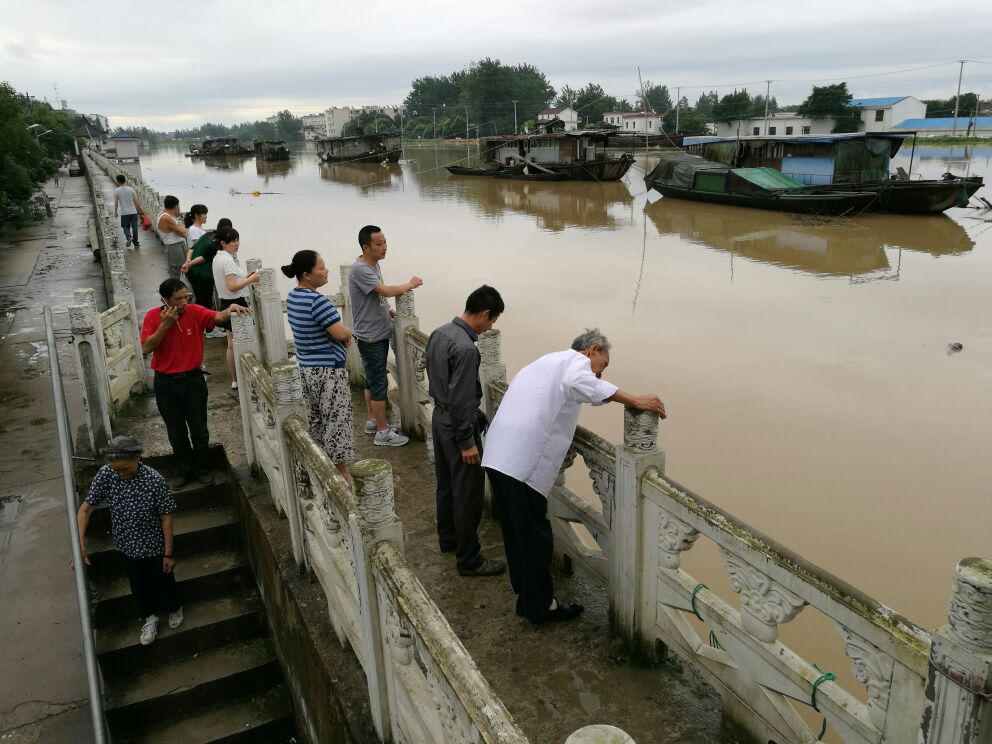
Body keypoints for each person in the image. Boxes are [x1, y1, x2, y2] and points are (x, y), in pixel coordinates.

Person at [481, 329, 667, 625]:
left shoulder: (546, 361)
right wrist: (635, 400)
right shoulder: (575, 363)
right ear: (592, 349)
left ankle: (526, 599)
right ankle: (542, 607)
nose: (598, 374)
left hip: (497, 455)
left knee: (516, 534)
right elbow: (581, 383)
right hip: (520, 462)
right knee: (535, 537)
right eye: (601, 366)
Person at [140, 277, 252, 488]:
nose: (183, 303)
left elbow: (216, 317)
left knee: (199, 428)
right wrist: (166, 325)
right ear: (164, 300)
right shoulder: (153, 317)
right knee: (175, 430)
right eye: (177, 299)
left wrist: (230, 310)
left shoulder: (194, 311)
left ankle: (202, 468)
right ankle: (183, 469)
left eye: (186, 297)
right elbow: (146, 347)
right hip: (165, 382)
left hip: (192, 379)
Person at [426, 285, 506, 577]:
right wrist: (467, 441)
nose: (489, 328)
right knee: (468, 493)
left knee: (446, 485)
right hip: (457, 426)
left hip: (440, 417)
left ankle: (448, 539)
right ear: (484, 314)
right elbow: (461, 397)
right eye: (492, 321)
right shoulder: (466, 348)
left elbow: (442, 381)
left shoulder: (439, 333)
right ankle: (469, 559)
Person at [76, 436, 181, 646]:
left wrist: (168, 553)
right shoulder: (107, 474)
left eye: (125, 469)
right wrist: (79, 543)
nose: (121, 474)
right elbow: (85, 509)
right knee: (138, 585)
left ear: (137, 457)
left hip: (154, 546)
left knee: (162, 580)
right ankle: (149, 617)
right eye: (116, 470)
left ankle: (173, 608)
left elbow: (166, 519)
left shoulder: (154, 480)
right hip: (126, 546)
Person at [282, 250, 356, 483]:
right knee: (337, 420)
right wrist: (346, 334)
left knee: (316, 419)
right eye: (321, 268)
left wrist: (338, 335)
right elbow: (340, 332)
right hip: (328, 371)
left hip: (306, 367)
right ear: (307, 274)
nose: (326, 271)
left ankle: (321, 465)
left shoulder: (294, 296)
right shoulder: (317, 300)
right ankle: (341, 473)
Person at [347, 225, 422, 447]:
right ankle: (382, 432)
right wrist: (410, 284)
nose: (384, 247)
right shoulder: (361, 269)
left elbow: (377, 294)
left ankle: (372, 421)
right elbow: (386, 290)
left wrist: (388, 310)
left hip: (373, 331)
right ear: (365, 247)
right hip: (371, 336)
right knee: (379, 383)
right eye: (379, 244)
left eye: (385, 242)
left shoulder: (373, 264)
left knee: (372, 379)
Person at [211, 226, 260, 397]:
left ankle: (236, 380)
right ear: (223, 243)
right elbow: (232, 286)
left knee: (231, 345)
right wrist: (252, 279)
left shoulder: (218, 258)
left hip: (225, 302)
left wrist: (246, 277)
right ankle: (248, 379)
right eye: (233, 241)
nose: (237, 244)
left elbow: (230, 282)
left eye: (238, 240)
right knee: (242, 343)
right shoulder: (228, 261)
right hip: (235, 303)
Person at [183, 217, 230, 339]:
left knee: (200, 302)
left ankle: (203, 327)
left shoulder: (208, 234)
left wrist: (188, 260)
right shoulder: (217, 244)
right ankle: (209, 330)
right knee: (205, 303)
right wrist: (190, 264)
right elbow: (203, 258)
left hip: (194, 274)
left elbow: (192, 248)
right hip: (202, 276)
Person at [158, 195, 188, 279]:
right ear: (176, 206)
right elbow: (183, 233)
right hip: (175, 247)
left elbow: (179, 229)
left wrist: (178, 227)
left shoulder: (163, 214)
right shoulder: (167, 218)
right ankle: (175, 291)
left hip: (174, 246)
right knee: (177, 271)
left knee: (177, 270)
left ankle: (178, 290)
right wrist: (180, 227)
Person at [113, 174, 144, 249]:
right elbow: (136, 201)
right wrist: (140, 210)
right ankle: (136, 243)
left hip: (124, 213)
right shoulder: (131, 189)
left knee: (125, 226)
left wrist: (115, 212)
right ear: (125, 180)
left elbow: (116, 203)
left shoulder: (116, 191)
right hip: (133, 212)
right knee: (135, 228)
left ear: (118, 181)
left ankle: (129, 237)